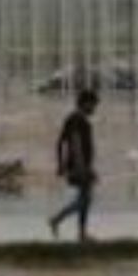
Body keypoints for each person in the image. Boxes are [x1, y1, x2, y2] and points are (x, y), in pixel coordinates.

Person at [49, 89, 98, 241]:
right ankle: (57, 219)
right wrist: (81, 167)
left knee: (85, 198)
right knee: (85, 199)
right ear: (85, 103)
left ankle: (81, 232)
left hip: (79, 163)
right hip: (78, 165)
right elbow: (74, 143)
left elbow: (61, 142)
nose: (94, 109)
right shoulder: (77, 120)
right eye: (93, 105)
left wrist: (61, 164)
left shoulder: (76, 119)